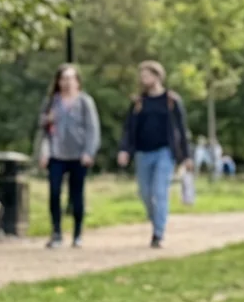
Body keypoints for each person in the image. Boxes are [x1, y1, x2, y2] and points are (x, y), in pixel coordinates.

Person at [116, 60, 194, 248]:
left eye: (147, 75)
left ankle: (158, 233)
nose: (143, 79)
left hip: (164, 152)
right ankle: (156, 219)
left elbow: (182, 130)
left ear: (158, 76)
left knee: (160, 192)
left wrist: (186, 155)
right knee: (145, 193)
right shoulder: (138, 103)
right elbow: (129, 129)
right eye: (142, 76)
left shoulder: (171, 100)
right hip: (143, 152)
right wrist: (124, 150)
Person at [35, 64, 100, 249]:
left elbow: (92, 129)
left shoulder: (85, 102)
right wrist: (44, 151)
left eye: (70, 78)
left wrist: (89, 151)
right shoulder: (51, 102)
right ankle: (56, 232)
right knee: (54, 192)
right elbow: (43, 129)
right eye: (63, 78)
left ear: (77, 81)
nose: (67, 82)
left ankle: (78, 233)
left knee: (76, 194)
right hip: (56, 154)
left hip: (78, 155)